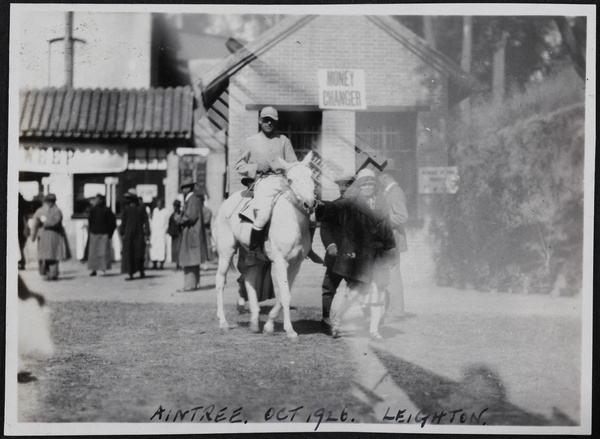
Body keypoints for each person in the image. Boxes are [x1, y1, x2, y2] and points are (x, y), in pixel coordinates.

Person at [329, 168, 397, 341]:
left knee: (377, 296)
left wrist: (391, 254)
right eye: (364, 184)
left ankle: (374, 330)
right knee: (353, 295)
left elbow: (387, 230)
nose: (368, 188)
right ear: (359, 186)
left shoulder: (381, 203)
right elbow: (347, 231)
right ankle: (336, 322)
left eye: (371, 184)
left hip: (378, 257)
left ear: (375, 186)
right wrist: (349, 251)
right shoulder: (352, 204)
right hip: (359, 258)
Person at [235, 106, 298, 258]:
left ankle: (306, 246)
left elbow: (293, 164)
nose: (269, 123)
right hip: (262, 181)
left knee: (304, 205)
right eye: (266, 120)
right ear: (260, 120)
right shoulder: (250, 141)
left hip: (282, 181)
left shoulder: (283, 140)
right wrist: (255, 167)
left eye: (273, 121)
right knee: (263, 212)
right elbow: (238, 165)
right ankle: (254, 249)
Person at [318, 174, 355, 335]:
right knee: (329, 288)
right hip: (336, 256)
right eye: (342, 186)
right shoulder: (333, 206)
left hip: (355, 257)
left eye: (348, 186)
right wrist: (330, 245)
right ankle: (326, 319)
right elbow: (325, 228)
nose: (345, 189)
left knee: (358, 290)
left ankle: (363, 321)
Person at [235, 177, 275, 312]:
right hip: (246, 239)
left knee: (261, 269)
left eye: (254, 183)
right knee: (246, 268)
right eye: (250, 184)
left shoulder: (265, 198)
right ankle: (241, 296)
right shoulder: (244, 200)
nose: (252, 186)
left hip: (261, 239)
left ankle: (254, 300)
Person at [379, 172, 409, 320]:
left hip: (393, 239)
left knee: (393, 275)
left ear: (385, 176)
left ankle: (396, 311)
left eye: (378, 177)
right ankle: (392, 309)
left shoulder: (395, 193)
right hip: (390, 238)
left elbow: (402, 216)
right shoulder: (390, 192)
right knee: (390, 274)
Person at [30, 194, 70, 281]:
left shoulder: (41, 211)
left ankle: (48, 274)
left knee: (48, 256)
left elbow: (35, 225)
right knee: (52, 256)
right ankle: (51, 274)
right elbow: (56, 221)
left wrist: (33, 236)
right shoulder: (57, 211)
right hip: (52, 236)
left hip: (48, 236)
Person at [176, 178, 205, 291]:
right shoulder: (194, 199)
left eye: (185, 187)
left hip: (191, 233)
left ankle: (189, 285)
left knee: (189, 259)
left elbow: (191, 217)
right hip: (194, 233)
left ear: (189, 188)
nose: (183, 190)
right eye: (183, 187)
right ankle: (194, 284)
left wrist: (179, 220)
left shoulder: (191, 200)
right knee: (194, 260)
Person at [120, 189, 149, 281]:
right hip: (129, 235)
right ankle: (131, 273)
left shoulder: (141, 208)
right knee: (129, 254)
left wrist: (147, 233)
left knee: (139, 254)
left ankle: (141, 271)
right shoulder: (126, 209)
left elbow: (146, 221)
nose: (127, 200)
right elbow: (123, 222)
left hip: (139, 234)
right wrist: (122, 232)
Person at [87, 194, 117, 276]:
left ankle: (103, 268)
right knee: (93, 253)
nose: (95, 201)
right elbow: (90, 221)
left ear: (101, 200)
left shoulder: (107, 210)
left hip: (104, 234)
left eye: (97, 199)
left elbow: (112, 222)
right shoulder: (93, 210)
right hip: (94, 234)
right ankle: (94, 270)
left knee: (103, 253)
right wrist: (91, 231)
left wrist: (109, 233)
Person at [149, 199, 170, 270]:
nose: (158, 205)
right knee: (154, 248)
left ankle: (161, 265)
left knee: (161, 248)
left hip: (161, 232)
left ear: (162, 204)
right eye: (157, 204)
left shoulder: (166, 212)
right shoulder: (155, 210)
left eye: (160, 203)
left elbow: (167, 222)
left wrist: (165, 230)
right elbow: (152, 220)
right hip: (154, 232)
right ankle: (154, 264)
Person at [167, 199, 183, 270]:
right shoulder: (172, 215)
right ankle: (177, 263)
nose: (175, 207)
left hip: (180, 234)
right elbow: (170, 224)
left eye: (176, 206)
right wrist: (170, 232)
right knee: (175, 250)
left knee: (180, 249)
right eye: (174, 206)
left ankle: (180, 263)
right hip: (174, 235)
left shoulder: (181, 214)